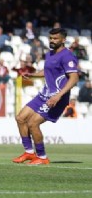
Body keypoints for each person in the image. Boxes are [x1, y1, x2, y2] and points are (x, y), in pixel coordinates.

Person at [14, 28, 79, 165]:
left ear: (63, 40)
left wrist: (58, 96)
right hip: (44, 94)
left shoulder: (67, 56)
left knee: (33, 123)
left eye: (55, 38)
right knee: (20, 118)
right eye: (51, 38)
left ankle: (42, 157)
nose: (52, 41)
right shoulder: (50, 54)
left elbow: (74, 78)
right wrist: (33, 75)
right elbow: (48, 71)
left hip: (57, 98)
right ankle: (29, 153)